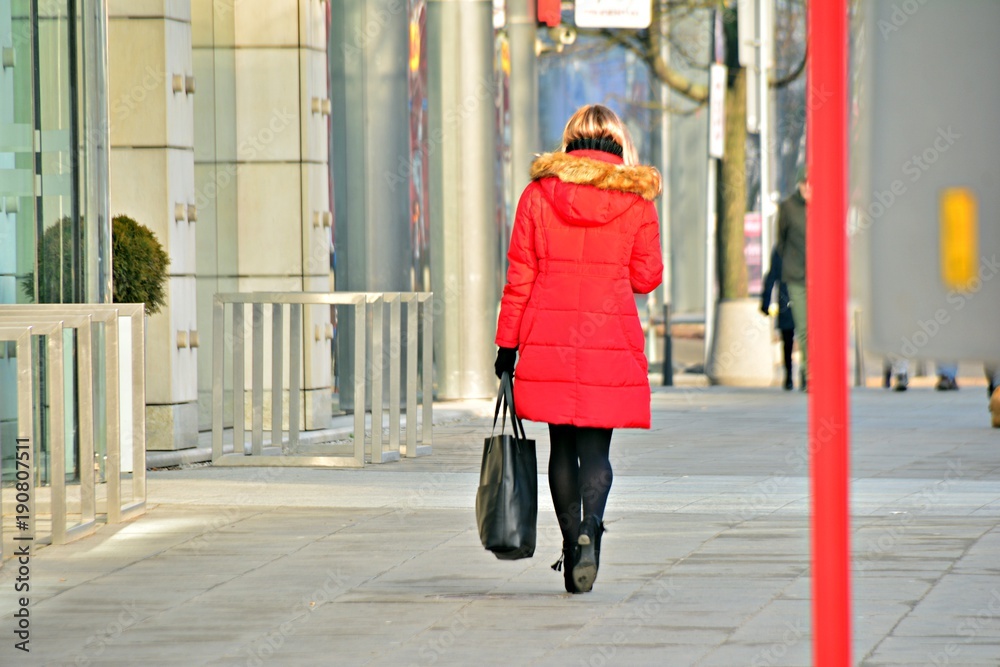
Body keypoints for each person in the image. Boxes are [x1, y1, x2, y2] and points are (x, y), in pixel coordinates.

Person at [493, 104, 662, 594]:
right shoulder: (637, 203)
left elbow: (518, 279)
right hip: (607, 338)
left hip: (549, 338)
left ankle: (571, 550)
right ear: (618, 144)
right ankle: (592, 529)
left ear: (570, 142)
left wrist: (507, 346)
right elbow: (646, 278)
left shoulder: (537, 196)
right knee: (597, 452)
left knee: (561, 448)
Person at [776, 167, 810, 390]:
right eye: (805, 183)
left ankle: (812, 370)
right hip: (796, 275)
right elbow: (781, 241)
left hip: (819, 275)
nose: (809, 188)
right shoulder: (788, 207)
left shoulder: (824, 205)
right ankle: (809, 373)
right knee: (804, 326)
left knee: (817, 327)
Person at [760, 245, 796, 390]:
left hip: (786, 301)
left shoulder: (780, 250)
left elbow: (771, 277)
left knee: (787, 341)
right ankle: (801, 375)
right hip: (800, 300)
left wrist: (765, 302)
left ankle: (789, 377)